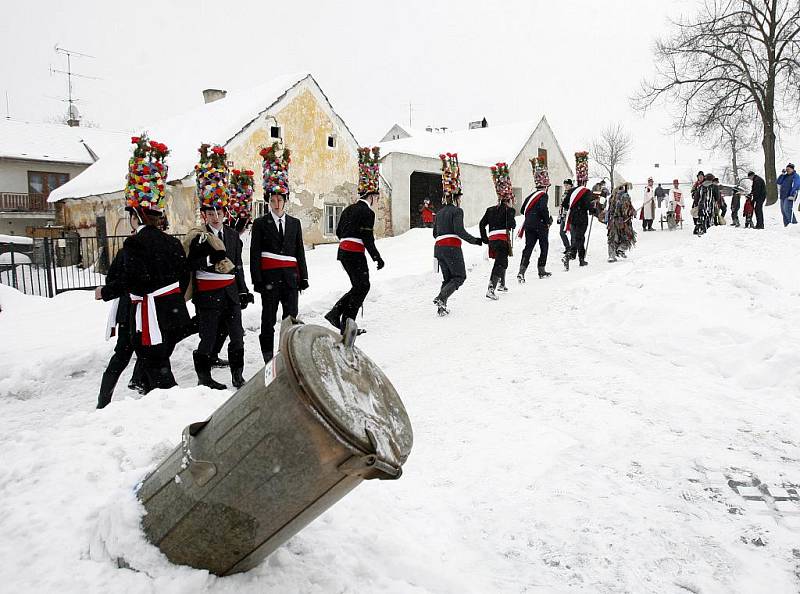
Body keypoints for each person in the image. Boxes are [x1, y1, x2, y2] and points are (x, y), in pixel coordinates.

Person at [122, 134, 191, 392]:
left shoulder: (134, 244)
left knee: (156, 365)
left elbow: (135, 283)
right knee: (160, 361)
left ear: (136, 215)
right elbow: (184, 275)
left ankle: (163, 398)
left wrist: (141, 296)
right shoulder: (172, 242)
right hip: (172, 310)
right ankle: (151, 388)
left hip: (151, 312)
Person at [186, 144, 251, 389]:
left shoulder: (233, 235)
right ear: (204, 215)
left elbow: (238, 267)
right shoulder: (197, 235)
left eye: (219, 211)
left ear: (225, 211)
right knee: (209, 338)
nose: (215, 216)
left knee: (237, 336)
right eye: (210, 212)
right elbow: (192, 264)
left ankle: (237, 374)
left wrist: (243, 290)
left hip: (231, 293)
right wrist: (206, 257)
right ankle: (204, 378)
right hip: (208, 295)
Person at [251, 142, 308, 362]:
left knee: (291, 317)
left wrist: (303, 276)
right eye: (273, 200)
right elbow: (255, 253)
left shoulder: (294, 223)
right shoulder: (260, 223)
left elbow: (299, 252)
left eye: (280, 200)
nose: (276, 204)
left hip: (291, 279)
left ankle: (287, 354)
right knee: (268, 320)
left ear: (285, 200)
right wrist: (257, 279)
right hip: (269, 280)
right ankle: (268, 358)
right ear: (268, 201)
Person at [325, 146, 384, 333]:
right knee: (363, 286)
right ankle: (344, 320)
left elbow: (338, 232)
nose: (377, 202)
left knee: (358, 286)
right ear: (372, 196)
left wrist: (348, 241)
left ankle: (340, 317)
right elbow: (367, 237)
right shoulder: (367, 212)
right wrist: (376, 257)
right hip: (355, 253)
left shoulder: (349, 209)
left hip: (343, 252)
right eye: (377, 198)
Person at [94, 246, 146, 408]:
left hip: (136, 308)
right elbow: (113, 280)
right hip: (140, 309)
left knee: (126, 355)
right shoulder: (130, 251)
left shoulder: (128, 250)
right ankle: (105, 400)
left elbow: (112, 279)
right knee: (144, 352)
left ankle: (105, 400)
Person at [432, 152, 481, 315]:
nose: (461, 200)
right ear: (456, 197)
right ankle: (441, 297)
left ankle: (441, 307)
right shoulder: (457, 211)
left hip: (438, 249)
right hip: (451, 247)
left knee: (448, 279)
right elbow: (459, 231)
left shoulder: (438, 213)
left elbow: (434, 234)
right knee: (460, 277)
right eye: (460, 196)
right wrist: (475, 241)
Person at [480, 162, 516, 300]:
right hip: (502, 240)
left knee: (503, 261)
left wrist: (484, 238)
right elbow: (512, 225)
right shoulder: (509, 210)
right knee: (500, 262)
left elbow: (482, 224)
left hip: (492, 240)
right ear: (508, 199)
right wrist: (511, 214)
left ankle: (502, 283)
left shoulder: (490, 210)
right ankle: (491, 287)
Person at [517, 158, 552, 282]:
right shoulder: (543, 195)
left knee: (528, 247)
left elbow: (522, 210)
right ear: (545, 186)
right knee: (544, 246)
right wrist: (547, 221)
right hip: (540, 225)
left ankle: (521, 271)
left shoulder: (530, 195)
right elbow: (543, 208)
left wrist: (531, 215)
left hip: (529, 225)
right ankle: (541, 270)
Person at [561, 181, 596, 270]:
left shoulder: (571, 191)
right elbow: (588, 205)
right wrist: (593, 210)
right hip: (582, 218)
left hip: (572, 217)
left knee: (577, 237)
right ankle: (573, 257)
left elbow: (565, 204)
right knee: (580, 238)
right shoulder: (586, 191)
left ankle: (578, 258)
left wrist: (573, 207)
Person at [605, 183, 637, 262]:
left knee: (612, 238)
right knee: (628, 236)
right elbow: (626, 210)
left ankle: (612, 255)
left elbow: (609, 209)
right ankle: (620, 249)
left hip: (612, 220)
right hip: (623, 221)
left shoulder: (612, 197)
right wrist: (632, 212)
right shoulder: (625, 196)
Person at [557, 178, 575, 253]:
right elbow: (561, 205)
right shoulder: (564, 193)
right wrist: (559, 215)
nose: (565, 186)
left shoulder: (573, 193)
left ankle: (573, 250)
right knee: (561, 232)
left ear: (571, 185)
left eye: (567, 185)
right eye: (565, 185)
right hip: (564, 216)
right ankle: (567, 247)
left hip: (571, 216)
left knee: (572, 233)